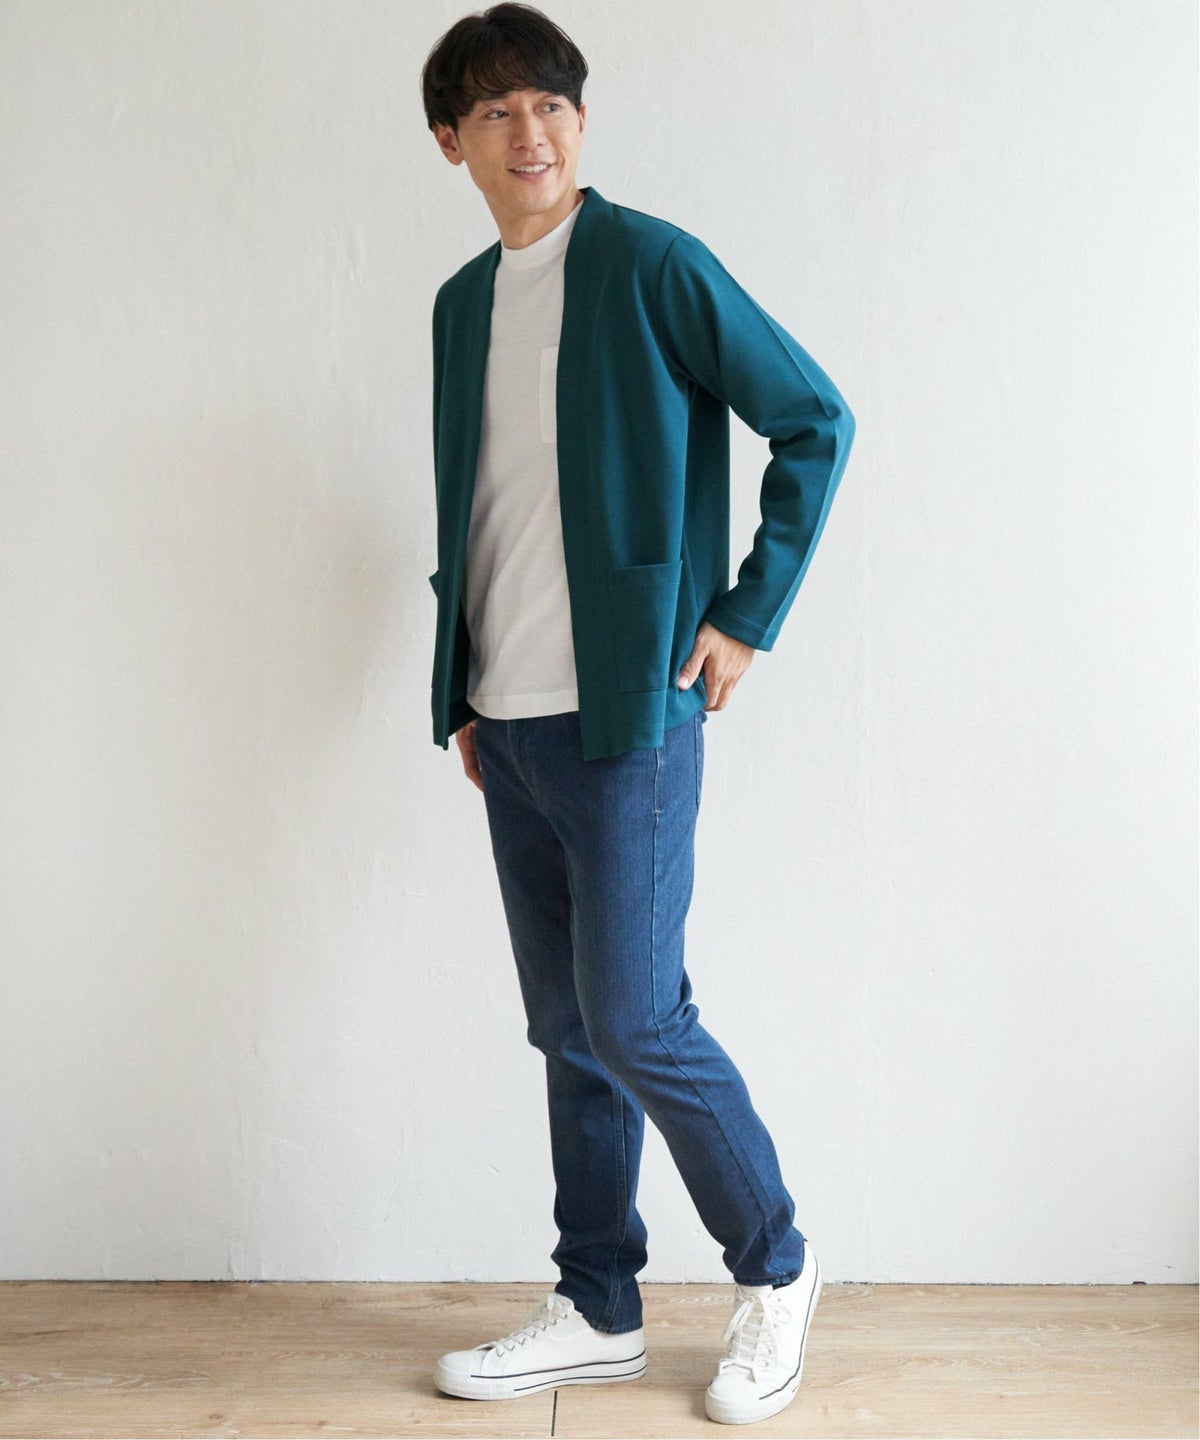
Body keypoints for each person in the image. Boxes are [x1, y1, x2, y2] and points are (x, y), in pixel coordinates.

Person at [420, 3, 855, 1426]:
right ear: (451, 141)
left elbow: (815, 419)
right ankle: (598, 1303)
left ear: (582, 120)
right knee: (568, 1029)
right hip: (508, 718)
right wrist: (466, 685)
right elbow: (483, 506)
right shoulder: (462, 305)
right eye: (496, 110)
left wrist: (744, 614)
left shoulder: (651, 263)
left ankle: (777, 1267)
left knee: (636, 1017)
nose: (529, 131)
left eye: (551, 102)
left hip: (632, 714)